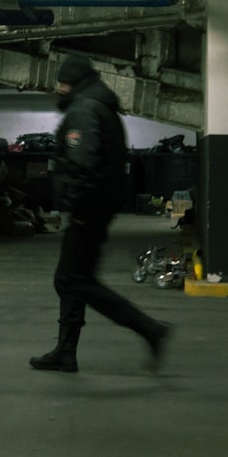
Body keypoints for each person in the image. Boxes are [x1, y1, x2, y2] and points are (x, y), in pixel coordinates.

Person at [30, 54, 172, 373]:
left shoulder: (85, 109)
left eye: (62, 83)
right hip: (95, 209)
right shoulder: (98, 105)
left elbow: (84, 164)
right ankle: (66, 351)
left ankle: (149, 329)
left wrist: (78, 209)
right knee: (72, 279)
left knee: (74, 280)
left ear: (75, 83)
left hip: (88, 211)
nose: (59, 88)